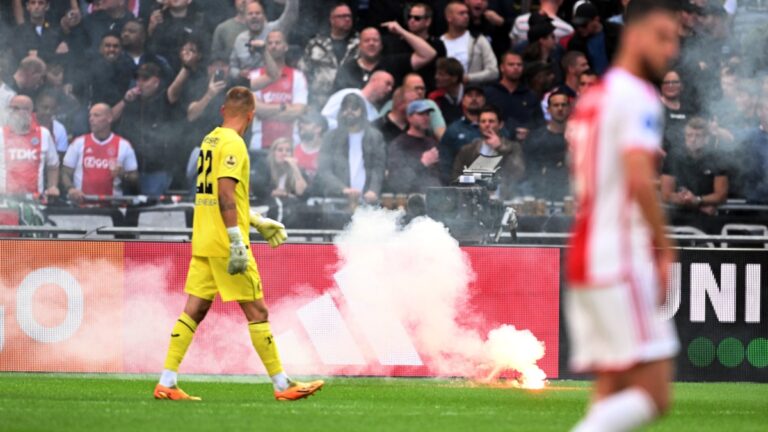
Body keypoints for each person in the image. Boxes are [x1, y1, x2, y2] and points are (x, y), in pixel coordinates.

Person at [153, 86, 323, 402]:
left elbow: (222, 195)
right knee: (257, 311)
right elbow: (225, 193)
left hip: (203, 238)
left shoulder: (211, 139)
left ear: (222, 111)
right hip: (223, 242)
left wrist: (257, 221)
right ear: (251, 115)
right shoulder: (234, 144)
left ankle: (167, 381)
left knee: (194, 310)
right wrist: (237, 241)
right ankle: (283, 385)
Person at [565, 1, 681, 431]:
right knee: (654, 395)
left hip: (586, 251)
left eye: (676, 40)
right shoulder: (639, 95)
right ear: (634, 34)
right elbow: (638, 177)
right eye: (663, 36)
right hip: (618, 253)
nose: (671, 49)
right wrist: (665, 248)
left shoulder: (594, 97)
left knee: (611, 389)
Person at [316, 93, 386, 204]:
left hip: (367, 200)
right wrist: (342, 189)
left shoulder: (374, 137)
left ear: (362, 110)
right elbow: (324, 170)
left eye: (354, 108)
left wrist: (373, 190)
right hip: (337, 200)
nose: (349, 112)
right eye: (345, 108)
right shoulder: (330, 137)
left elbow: (378, 168)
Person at [61, 103, 138, 200]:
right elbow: (65, 172)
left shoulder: (124, 145)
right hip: (82, 205)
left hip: (112, 206)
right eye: (90, 116)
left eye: (96, 115)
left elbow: (135, 178)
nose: (91, 119)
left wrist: (123, 174)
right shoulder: (78, 143)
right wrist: (71, 189)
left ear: (109, 118)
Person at [249, 30, 308, 151]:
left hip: (291, 143)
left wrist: (267, 111)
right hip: (260, 142)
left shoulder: (298, 76)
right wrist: (283, 107)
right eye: (269, 43)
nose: (273, 46)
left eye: (277, 42)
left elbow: (299, 111)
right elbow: (256, 110)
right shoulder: (254, 76)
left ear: (286, 47)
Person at [332, 25, 436, 92]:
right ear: (359, 46)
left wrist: (401, 31)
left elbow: (429, 54)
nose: (371, 43)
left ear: (381, 46)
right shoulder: (348, 68)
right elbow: (335, 97)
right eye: (367, 40)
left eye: (375, 40)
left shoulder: (393, 63)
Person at [452, 104, 524, 198]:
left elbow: (518, 173)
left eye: (491, 121)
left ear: (500, 124)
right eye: (483, 121)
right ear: (479, 125)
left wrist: (500, 148)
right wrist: (476, 183)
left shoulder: (513, 147)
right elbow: (455, 179)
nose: (487, 124)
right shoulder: (468, 150)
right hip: (475, 202)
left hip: (504, 200)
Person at [660, 116, 728, 215]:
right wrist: (691, 202)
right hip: (679, 214)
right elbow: (666, 194)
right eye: (689, 135)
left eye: (698, 136)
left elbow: (721, 195)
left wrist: (697, 200)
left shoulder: (717, 158)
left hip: (708, 216)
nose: (693, 140)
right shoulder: (673, 156)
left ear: (706, 139)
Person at [299, 3, 360, 108]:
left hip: (349, 102)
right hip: (318, 101)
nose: (347, 19)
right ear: (332, 20)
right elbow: (304, 71)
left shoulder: (359, 43)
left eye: (349, 16)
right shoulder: (315, 43)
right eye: (342, 16)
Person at [0, 95, 60, 197]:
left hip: (35, 199)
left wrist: (52, 186)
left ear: (31, 111)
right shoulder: (1, 133)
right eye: (14, 108)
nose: (17, 113)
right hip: (4, 200)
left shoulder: (44, 134)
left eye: (23, 108)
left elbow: (53, 166)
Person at [229, 0, 298, 83]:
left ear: (263, 16)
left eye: (258, 13)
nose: (254, 16)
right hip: (250, 88)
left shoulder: (275, 30)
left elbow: (291, 15)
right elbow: (233, 66)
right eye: (250, 14)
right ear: (245, 18)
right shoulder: (240, 40)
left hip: (274, 86)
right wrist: (239, 74)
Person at [522, 91, 571, 201]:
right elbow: (529, 172)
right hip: (542, 196)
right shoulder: (535, 139)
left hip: (570, 195)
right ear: (548, 109)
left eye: (563, 105)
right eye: (556, 105)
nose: (560, 108)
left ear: (569, 108)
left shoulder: (578, 138)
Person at [385, 100, 442, 194]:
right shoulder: (399, 144)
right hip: (411, 201)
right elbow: (396, 181)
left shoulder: (432, 143)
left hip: (435, 200)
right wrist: (422, 163)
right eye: (421, 114)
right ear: (409, 117)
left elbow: (441, 175)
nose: (426, 118)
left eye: (427, 114)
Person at [440, 1, 498, 86]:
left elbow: (493, 72)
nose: (466, 16)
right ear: (449, 17)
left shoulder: (478, 40)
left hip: (472, 92)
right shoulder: (440, 42)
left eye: (467, 13)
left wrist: (469, 78)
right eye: (461, 13)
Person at [438, 85, 486, 182]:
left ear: (484, 100)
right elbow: (445, 164)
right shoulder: (453, 130)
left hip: (491, 185)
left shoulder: (494, 127)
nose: (474, 98)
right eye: (469, 95)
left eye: (478, 95)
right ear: (463, 100)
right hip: (462, 186)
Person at [321, 70, 394, 130]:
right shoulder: (347, 94)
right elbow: (324, 118)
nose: (390, 89)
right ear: (374, 80)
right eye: (387, 83)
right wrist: (347, 131)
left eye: (391, 86)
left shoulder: (375, 116)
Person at [251, 137, 308, 203]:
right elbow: (258, 188)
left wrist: (295, 168)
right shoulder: (264, 165)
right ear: (273, 153)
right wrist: (274, 193)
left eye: (288, 150)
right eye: (280, 150)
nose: (284, 153)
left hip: (290, 207)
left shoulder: (297, 169)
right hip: (268, 204)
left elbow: (302, 192)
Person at [429, 57, 465, 125]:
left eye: (441, 74)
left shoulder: (470, 94)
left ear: (454, 78)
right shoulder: (434, 97)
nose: (436, 77)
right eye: (437, 74)